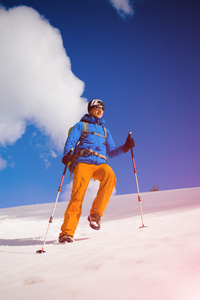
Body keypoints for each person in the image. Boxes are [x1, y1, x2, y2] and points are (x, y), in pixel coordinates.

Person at [59, 99, 135, 243]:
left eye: (103, 108)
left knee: (110, 177)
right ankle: (67, 233)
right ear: (91, 109)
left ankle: (95, 215)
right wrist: (67, 155)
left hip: (100, 164)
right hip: (83, 163)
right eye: (98, 108)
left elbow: (111, 152)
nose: (101, 110)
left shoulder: (105, 131)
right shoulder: (81, 125)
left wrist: (125, 147)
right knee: (77, 196)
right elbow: (71, 140)